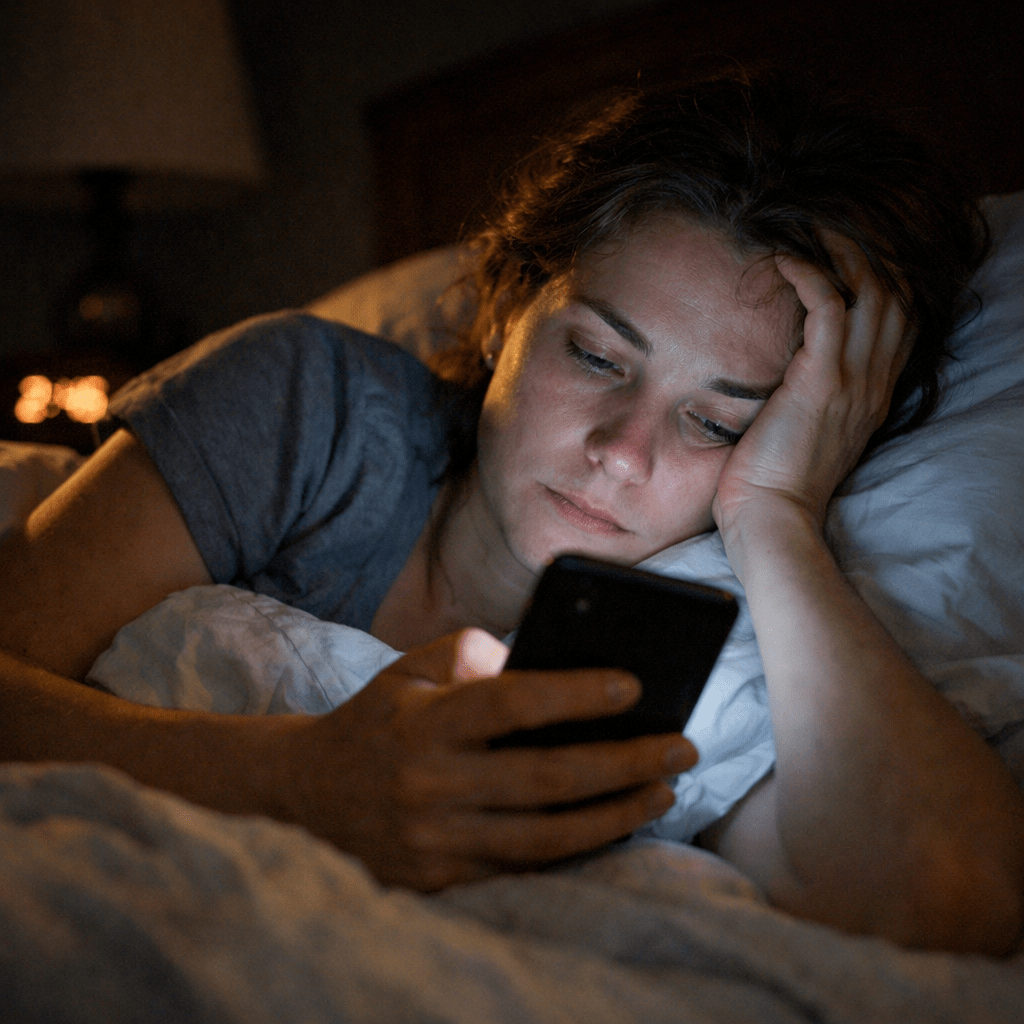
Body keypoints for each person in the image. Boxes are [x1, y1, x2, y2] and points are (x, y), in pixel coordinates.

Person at [1, 71, 1021, 954]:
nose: (621, 450)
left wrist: (778, 514)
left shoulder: (716, 644)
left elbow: (943, 896)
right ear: (504, 311)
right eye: (594, 355)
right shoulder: (308, 413)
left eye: (714, 420)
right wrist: (302, 781)